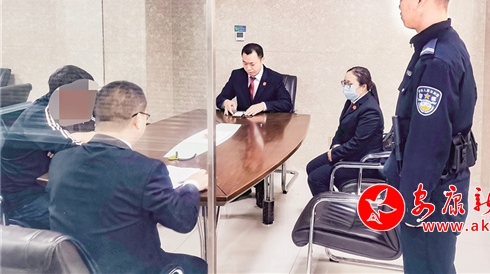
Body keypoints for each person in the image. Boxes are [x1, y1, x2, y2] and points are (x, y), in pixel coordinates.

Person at [47, 80, 208, 274]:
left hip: (73, 267)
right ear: (138, 120)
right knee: (197, 266)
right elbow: (182, 220)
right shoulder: (146, 169)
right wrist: (191, 185)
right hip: (132, 269)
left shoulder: (60, 160)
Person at [381, 0, 477, 274]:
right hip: (440, 188)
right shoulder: (443, 45)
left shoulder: (437, 59)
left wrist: (412, 205)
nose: (399, 6)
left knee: (426, 267)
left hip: (431, 196)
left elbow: (428, 143)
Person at [0, 65, 97, 229]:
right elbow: (75, 148)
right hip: (26, 199)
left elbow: (101, 125)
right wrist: (90, 137)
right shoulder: (39, 115)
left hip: (49, 186)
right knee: (89, 221)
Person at [216, 42, 293, 207]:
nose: (248, 68)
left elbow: (287, 103)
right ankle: (242, 186)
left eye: (252, 64)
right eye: (244, 63)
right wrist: (226, 102)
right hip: (243, 128)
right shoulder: (237, 75)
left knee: (258, 151)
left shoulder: (274, 78)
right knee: (231, 149)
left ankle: (261, 187)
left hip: (267, 129)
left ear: (262, 60)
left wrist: (264, 105)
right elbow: (220, 98)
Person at [306, 66, 384, 196]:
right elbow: (341, 128)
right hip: (348, 154)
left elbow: (358, 143)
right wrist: (335, 146)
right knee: (311, 167)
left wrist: (335, 153)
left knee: (316, 178)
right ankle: (331, 199)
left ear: (363, 86)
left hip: (362, 162)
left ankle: (330, 206)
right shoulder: (351, 102)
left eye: (349, 84)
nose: (346, 87)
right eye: (344, 83)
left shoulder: (371, 111)